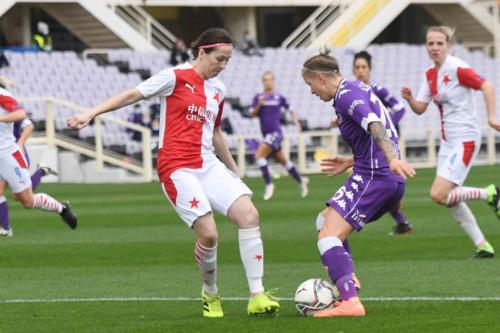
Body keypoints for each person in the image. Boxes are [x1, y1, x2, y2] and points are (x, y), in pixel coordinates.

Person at [67, 28, 279, 318]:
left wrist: (233, 170)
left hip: (208, 164)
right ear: (202, 52)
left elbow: (215, 131)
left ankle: (257, 295)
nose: (223, 65)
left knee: (249, 215)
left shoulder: (219, 90)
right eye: (219, 58)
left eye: (228, 60)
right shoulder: (175, 76)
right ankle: (210, 293)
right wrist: (90, 113)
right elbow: (132, 94)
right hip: (177, 167)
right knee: (209, 235)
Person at [301, 53, 415, 317]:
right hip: (376, 173)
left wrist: (393, 159)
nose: (312, 92)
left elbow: (374, 124)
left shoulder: (345, 96)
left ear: (320, 78)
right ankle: (347, 282)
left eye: (310, 85)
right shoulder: (356, 88)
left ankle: (351, 302)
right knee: (323, 222)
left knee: (328, 236)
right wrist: (351, 160)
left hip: (376, 177)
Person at [401, 26, 500, 258]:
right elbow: (420, 109)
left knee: (438, 194)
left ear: (449, 46)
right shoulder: (430, 74)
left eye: (439, 43)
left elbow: (487, 86)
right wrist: (410, 99)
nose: (435, 47)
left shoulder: (457, 68)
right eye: (431, 43)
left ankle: (489, 194)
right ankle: (482, 245)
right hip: (448, 143)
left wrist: (491, 117)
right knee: (448, 199)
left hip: (465, 140)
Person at [336, 50, 412, 235]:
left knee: (366, 183)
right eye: (357, 67)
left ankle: (338, 227)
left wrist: (386, 126)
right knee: (383, 188)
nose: (360, 71)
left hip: (383, 145)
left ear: (370, 70)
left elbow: (400, 108)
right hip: (367, 147)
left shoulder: (377, 90)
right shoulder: (351, 93)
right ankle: (402, 223)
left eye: (364, 67)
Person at [0, 86, 76, 235]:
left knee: (27, 201)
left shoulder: (3, 95)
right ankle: (6, 227)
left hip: (8, 155)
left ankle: (62, 209)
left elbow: (20, 114)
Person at [250, 71, 308, 200]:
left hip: (276, 133)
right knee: (284, 161)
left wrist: (296, 122)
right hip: (266, 134)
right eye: (265, 80)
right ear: (262, 82)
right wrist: (259, 104)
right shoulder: (258, 97)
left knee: (259, 155)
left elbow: (291, 109)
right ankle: (301, 181)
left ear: (274, 81)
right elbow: (252, 114)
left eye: (270, 79)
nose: (268, 82)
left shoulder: (279, 97)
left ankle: (269, 184)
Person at [0, 115, 59, 236]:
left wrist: (20, 143)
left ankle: (41, 171)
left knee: (19, 196)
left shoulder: (10, 109)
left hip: (14, 154)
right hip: (3, 156)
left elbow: (29, 125)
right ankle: (6, 228)